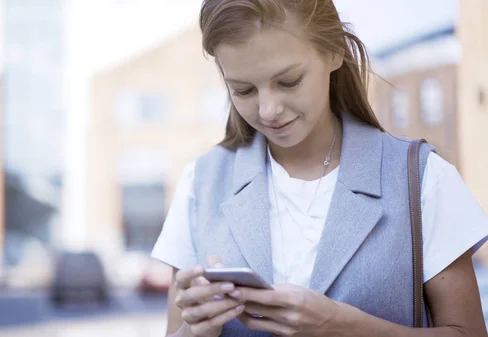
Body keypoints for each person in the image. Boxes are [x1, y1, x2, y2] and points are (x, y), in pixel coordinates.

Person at [151, 0, 488, 336]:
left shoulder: (422, 177)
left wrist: (345, 327)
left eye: (289, 81)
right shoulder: (200, 183)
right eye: (243, 90)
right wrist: (196, 330)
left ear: (334, 53)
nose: (268, 110)